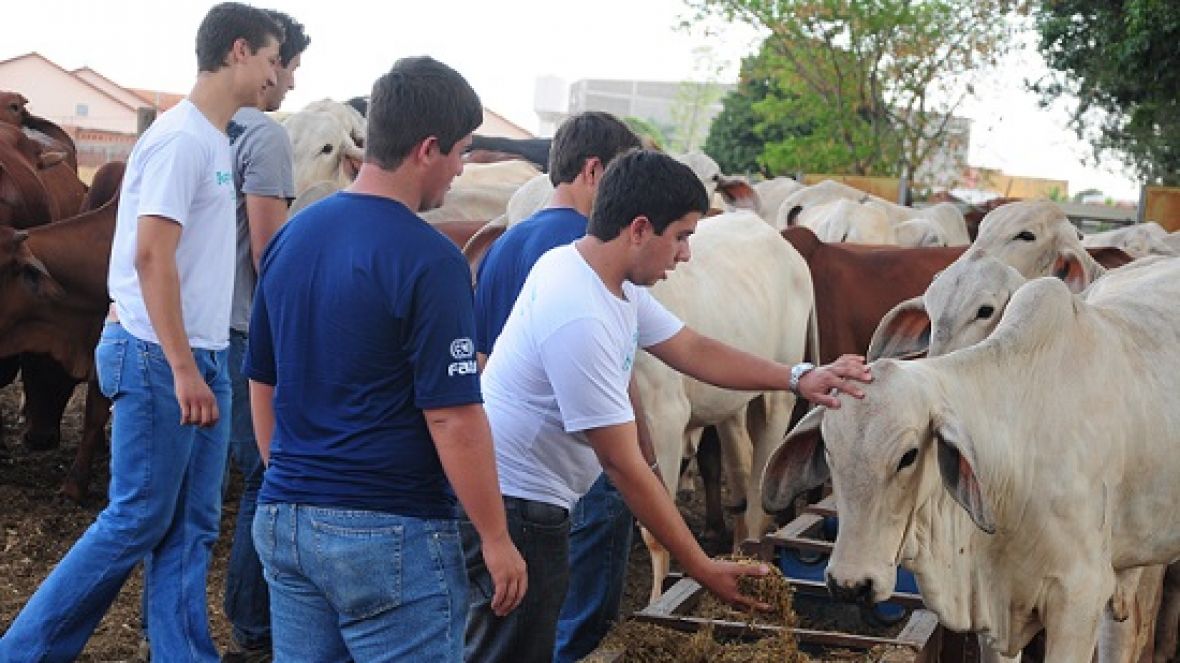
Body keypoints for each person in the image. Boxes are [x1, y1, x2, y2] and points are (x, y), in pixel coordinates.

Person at [464, 149, 872, 662]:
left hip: (532, 502)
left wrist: (798, 376)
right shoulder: (580, 314)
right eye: (680, 237)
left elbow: (691, 349)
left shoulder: (600, 279)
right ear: (638, 229)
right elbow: (623, 465)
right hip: (520, 509)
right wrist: (700, 566)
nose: (685, 255)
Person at [0, 5, 282, 662]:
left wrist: (202, 361)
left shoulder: (213, 139)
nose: (278, 76)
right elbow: (151, 255)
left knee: (192, 523)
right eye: (272, 59)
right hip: (161, 355)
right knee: (138, 517)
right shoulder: (182, 140)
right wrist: (185, 366)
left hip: (198, 352)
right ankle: (22, 650)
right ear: (239, 51)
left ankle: (183, 651)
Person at [243, 56, 527, 662]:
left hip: (286, 521)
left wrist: (292, 479)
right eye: (461, 152)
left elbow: (262, 380)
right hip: (388, 529)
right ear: (427, 149)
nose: (460, 170)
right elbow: (452, 417)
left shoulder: (293, 236)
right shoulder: (431, 259)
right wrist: (496, 537)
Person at [469, 111, 653, 663]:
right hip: (580, 452)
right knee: (576, 610)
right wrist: (643, 455)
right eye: (622, 177)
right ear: (594, 172)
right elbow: (620, 370)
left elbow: (483, 357)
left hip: (507, 461)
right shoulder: (589, 250)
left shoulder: (504, 243)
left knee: (506, 618)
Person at [221, 10, 309, 663]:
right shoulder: (266, 138)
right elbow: (269, 254)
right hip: (246, 329)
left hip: (184, 332)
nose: (290, 83)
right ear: (256, 58)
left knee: (177, 498)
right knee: (264, 474)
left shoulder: (183, 130)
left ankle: (160, 627)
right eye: (289, 65)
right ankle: (253, 626)